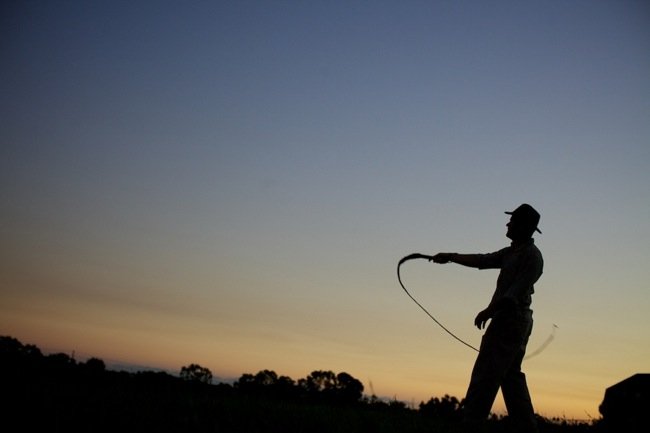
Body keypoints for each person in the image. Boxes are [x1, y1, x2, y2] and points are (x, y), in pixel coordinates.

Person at [430, 204, 543, 432]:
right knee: (511, 380)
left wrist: (488, 311)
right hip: (510, 322)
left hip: (511, 324)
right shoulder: (511, 252)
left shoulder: (533, 257)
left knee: (485, 378)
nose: (507, 224)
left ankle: (471, 424)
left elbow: (513, 294)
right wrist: (451, 257)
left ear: (523, 226)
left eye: (512, 221)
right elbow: (483, 260)